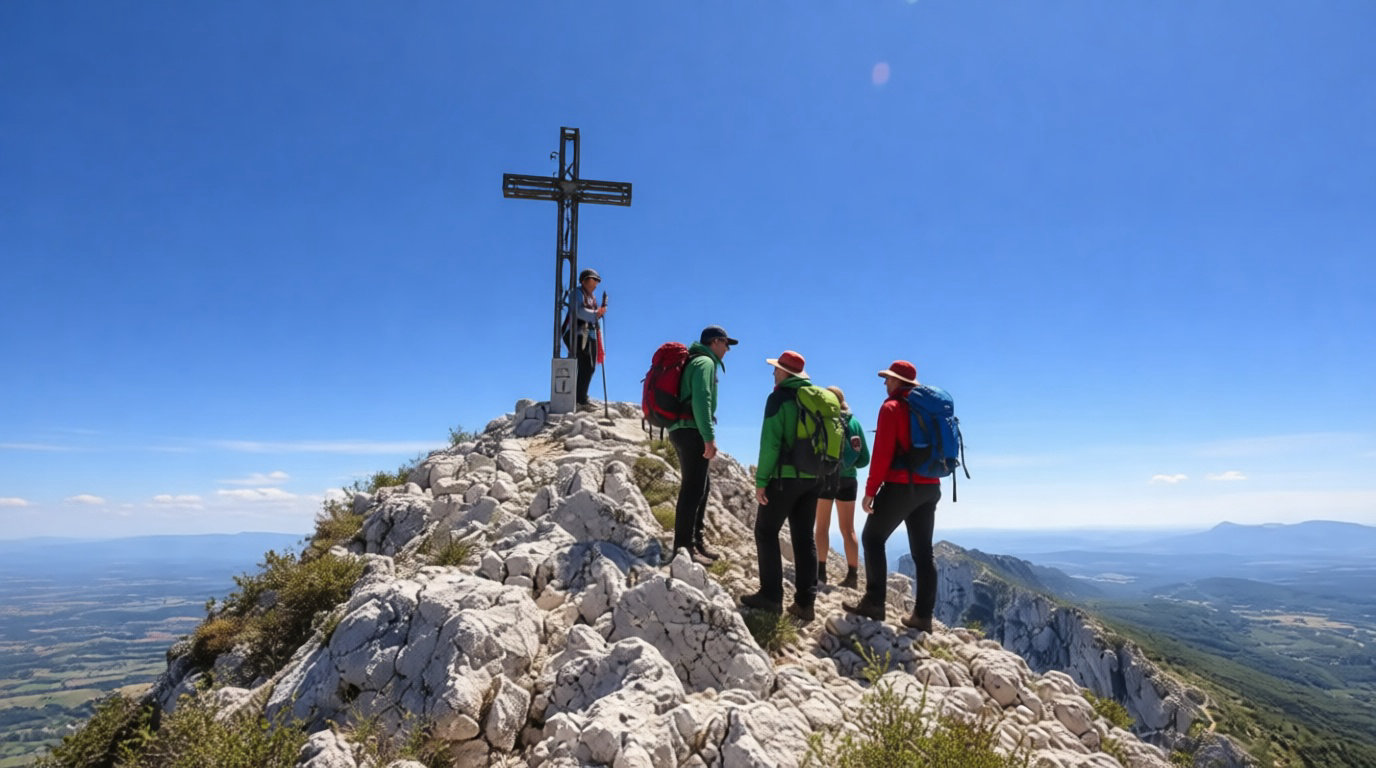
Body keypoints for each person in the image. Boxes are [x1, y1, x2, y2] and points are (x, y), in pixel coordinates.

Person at [842, 361, 941, 630]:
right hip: (931, 487)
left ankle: (875, 603)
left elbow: (882, 455)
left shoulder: (892, 408)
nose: (885, 383)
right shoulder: (928, 410)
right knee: (924, 552)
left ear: (898, 381)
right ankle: (923, 617)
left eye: (888, 379)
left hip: (901, 485)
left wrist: (870, 492)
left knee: (872, 538)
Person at [740, 350, 822, 623]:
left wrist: (761, 482)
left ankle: (771, 597)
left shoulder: (779, 398)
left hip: (785, 478)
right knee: (804, 537)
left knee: (765, 531)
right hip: (814, 479)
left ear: (786, 373)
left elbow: (770, 443)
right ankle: (805, 604)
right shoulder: (816, 400)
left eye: (776, 369)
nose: (773, 373)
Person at [668, 325, 737, 565]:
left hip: (680, 429)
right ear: (716, 342)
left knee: (701, 487)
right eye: (726, 344)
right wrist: (709, 437)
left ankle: (695, 542)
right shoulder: (705, 363)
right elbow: (702, 400)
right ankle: (684, 547)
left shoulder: (693, 361)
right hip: (691, 430)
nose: (727, 349)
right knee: (693, 490)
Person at [815, 385, 869, 590]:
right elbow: (864, 459)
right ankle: (852, 576)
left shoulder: (823, 419)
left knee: (822, 526)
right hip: (848, 480)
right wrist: (848, 465)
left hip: (826, 478)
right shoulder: (854, 423)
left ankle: (820, 573)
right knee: (848, 529)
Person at [562, 268, 606, 409]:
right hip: (577, 333)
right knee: (586, 364)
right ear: (584, 280)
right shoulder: (577, 293)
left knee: (590, 366)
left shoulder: (591, 298)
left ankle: (580, 397)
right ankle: (579, 399)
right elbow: (579, 311)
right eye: (594, 280)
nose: (596, 284)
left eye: (597, 281)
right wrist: (596, 313)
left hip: (588, 333)